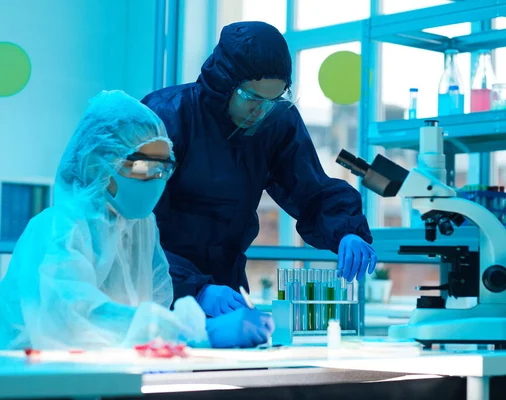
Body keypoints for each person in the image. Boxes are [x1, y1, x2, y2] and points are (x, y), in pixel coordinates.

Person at [0, 90, 273, 350]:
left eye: (165, 168)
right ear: (99, 164)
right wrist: (196, 332)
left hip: (108, 376)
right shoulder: (58, 230)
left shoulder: (139, 229)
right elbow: (76, 320)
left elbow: (154, 302)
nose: (157, 179)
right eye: (145, 167)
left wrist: (188, 329)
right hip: (32, 381)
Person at [141, 21, 378, 318]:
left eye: (272, 100)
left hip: (226, 291)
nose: (259, 111)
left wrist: (346, 232)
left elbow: (310, 190)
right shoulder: (167, 116)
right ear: (223, 83)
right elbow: (134, 230)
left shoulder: (275, 122)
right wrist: (192, 288)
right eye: (251, 98)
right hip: (156, 291)